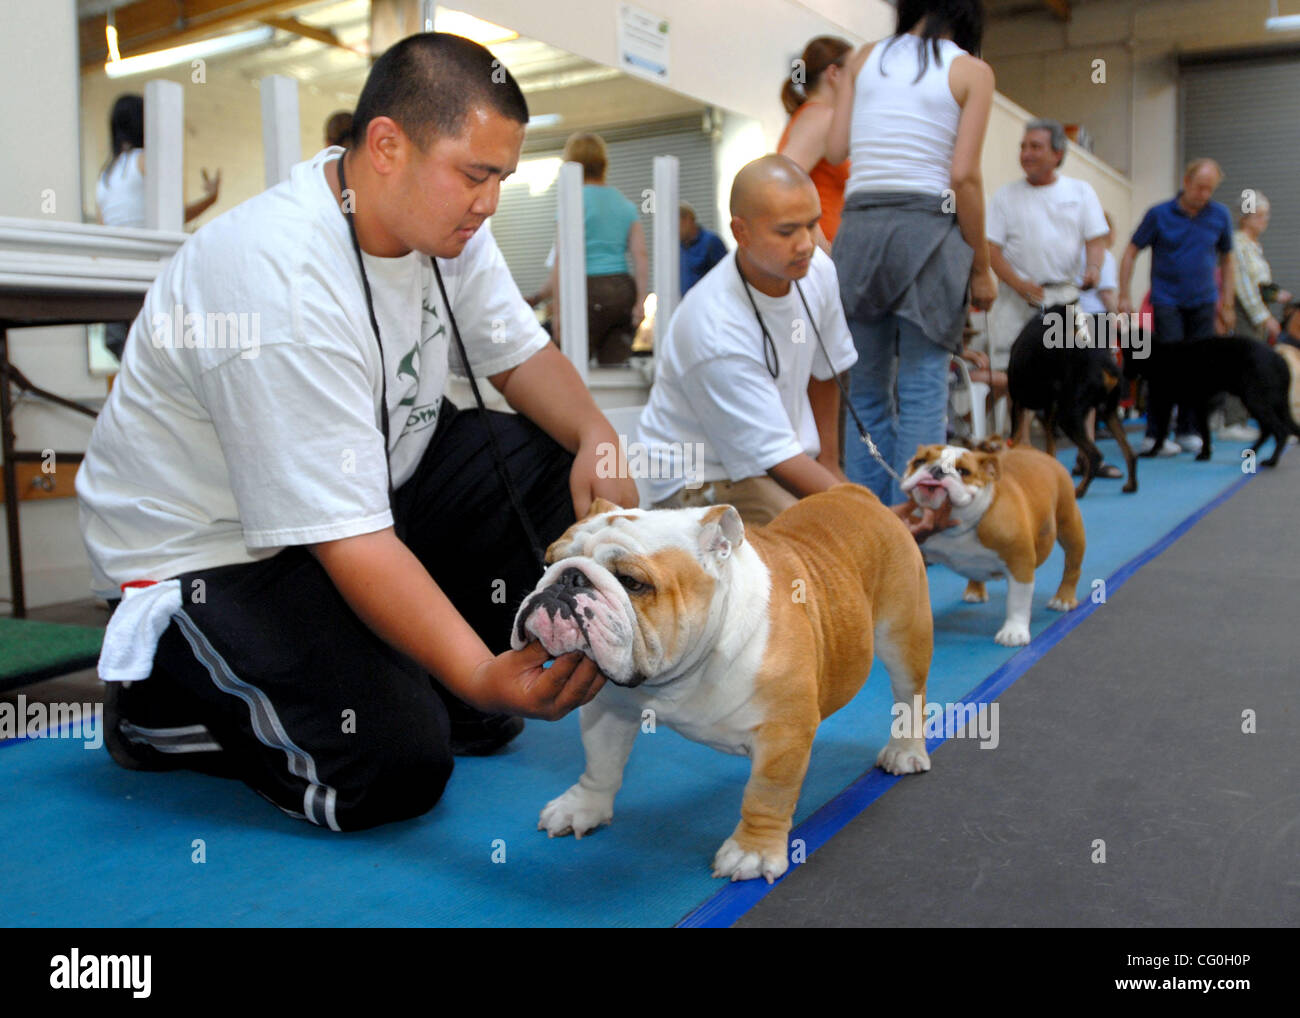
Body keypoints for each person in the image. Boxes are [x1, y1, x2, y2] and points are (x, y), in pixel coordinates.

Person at [77, 34, 638, 833]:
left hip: (354, 505)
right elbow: (354, 545)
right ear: (385, 146)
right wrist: (478, 674)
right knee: (391, 764)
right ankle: (158, 703)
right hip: (206, 555)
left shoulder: (444, 226)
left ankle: (423, 674)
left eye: (502, 179)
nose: (489, 202)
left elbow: (516, 356)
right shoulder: (280, 280)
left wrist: (596, 433)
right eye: (475, 175)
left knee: (549, 460)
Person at [827, 0, 998, 506]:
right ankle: (914, 523)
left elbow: (836, 151)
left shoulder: (863, 58)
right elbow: (963, 177)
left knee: (866, 393)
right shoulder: (972, 71)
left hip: (859, 232)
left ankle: (869, 524)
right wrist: (982, 267)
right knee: (924, 388)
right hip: (927, 229)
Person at [635, 155, 857, 527]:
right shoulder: (714, 324)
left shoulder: (818, 270)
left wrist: (831, 466)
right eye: (787, 232)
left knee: (847, 526)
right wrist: (865, 513)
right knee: (825, 538)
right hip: (700, 477)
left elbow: (825, 369)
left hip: (767, 458)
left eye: (812, 225)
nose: (806, 244)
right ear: (741, 232)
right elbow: (776, 458)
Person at [1119, 157, 1236, 456]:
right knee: (1165, 371)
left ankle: (1187, 430)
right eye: (1199, 188)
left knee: (1198, 371)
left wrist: (1227, 304)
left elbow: (1228, 259)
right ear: (1185, 182)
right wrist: (1123, 295)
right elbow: (1131, 251)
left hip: (1204, 303)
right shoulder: (1159, 214)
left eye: (1210, 189)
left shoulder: (1220, 215)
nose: (1204, 195)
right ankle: (1154, 434)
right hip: (1167, 301)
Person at [95, 93, 222, 359]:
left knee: (135, 358)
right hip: (147, 274)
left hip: (114, 278)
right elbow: (171, 216)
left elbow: (103, 230)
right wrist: (210, 199)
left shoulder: (105, 177)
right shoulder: (146, 161)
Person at [986, 119, 1109, 375]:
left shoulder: (1081, 192)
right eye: (1023, 147)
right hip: (1016, 302)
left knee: (1074, 376)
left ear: (1057, 154)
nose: (1026, 154)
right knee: (1015, 376)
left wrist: (1094, 268)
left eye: (1035, 147)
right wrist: (1020, 286)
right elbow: (991, 251)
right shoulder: (1005, 196)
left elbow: (1095, 241)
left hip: (1064, 301)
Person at [526, 133, 648, 365]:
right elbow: (640, 254)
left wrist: (559, 314)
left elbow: (563, 259)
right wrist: (640, 301)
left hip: (586, 291)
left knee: (574, 369)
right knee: (614, 371)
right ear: (603, 162)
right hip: (622, 291)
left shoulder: (572, 202)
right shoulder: (624, 203)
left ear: (570, 163)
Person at [777, 35, 852, 253]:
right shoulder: (822, 118)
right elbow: (780, 184)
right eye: (854, 74)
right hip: (819, 257)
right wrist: (820, 246)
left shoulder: (811, 116)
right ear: (834, 74)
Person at [678, 201, 727, 296]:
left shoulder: (711, 242)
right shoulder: (677, 248)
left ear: (688, 220)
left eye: (677, 224)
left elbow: (725, 275)